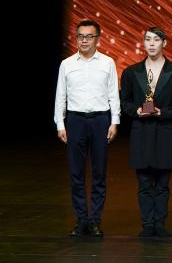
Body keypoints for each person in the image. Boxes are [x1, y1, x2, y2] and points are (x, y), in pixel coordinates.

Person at [120, 26, 172, 237]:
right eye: (148, 39)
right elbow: (124, 102)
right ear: (143, 43)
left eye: (156, 40)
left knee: (162, 183)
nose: (151, 44)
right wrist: (136, 110)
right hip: (141, 132)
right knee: (143, 183)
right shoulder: (131, 72)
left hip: (165, 132)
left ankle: (159, 224)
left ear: (164, 43)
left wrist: (163, 112)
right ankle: (147, 225)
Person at [54, 19, 121, 237]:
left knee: (99, 173)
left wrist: (115, 121)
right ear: (76, 38)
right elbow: (60, 95)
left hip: (101, 120)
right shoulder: (67, 64)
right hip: (75, 121)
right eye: (80, 36)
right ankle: (81, 219)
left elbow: (113, 94)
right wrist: (60, 123)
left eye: (89, 36)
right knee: (76, 173)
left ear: (97, 39)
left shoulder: (107, 63)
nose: (84, 40)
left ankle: (95, 221)